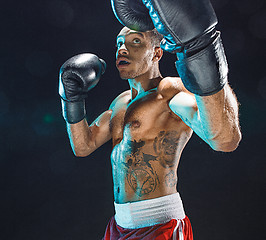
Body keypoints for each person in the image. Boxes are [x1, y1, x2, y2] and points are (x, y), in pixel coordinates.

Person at [59, 0, 242, 239]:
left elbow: (225, 140)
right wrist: (71, 100)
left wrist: (202, 49)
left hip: (161, 224)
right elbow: (83, 146)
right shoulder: (120, 102)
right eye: (119, 44)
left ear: (157, 52)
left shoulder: (170, 91)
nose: (122, 49)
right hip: (119, 225)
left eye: (136, 41)